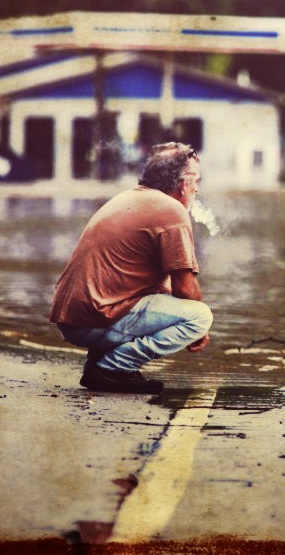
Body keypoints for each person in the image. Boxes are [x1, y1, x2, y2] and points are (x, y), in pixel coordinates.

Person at [49, 142, 212, 394]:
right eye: (196, 181)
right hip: (93, 320)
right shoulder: (171, 210)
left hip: (73, 318)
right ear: (183, 184)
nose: (197, 188)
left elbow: (162, 287)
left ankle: (97, 368)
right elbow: (185, 288)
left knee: (156, 296)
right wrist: (200, 331)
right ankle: (114, 368)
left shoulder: (129, 197)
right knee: (199, 316)